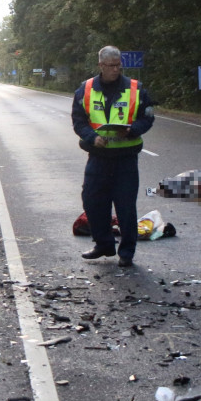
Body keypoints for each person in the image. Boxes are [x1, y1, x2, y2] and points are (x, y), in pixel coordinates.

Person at [71, 45, 156, 267]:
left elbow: (147, 118)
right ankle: (103, 244)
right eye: (111, 66)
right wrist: (91, 136)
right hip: (98, 157)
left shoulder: (136, 89)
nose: (116, 70)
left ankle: (126, 252)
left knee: (125, 206)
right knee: (92, 201)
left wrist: (133, 129)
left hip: (125, 158)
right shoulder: (86, 89)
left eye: (119, 65)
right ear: (101, 65)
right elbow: (78, 120)